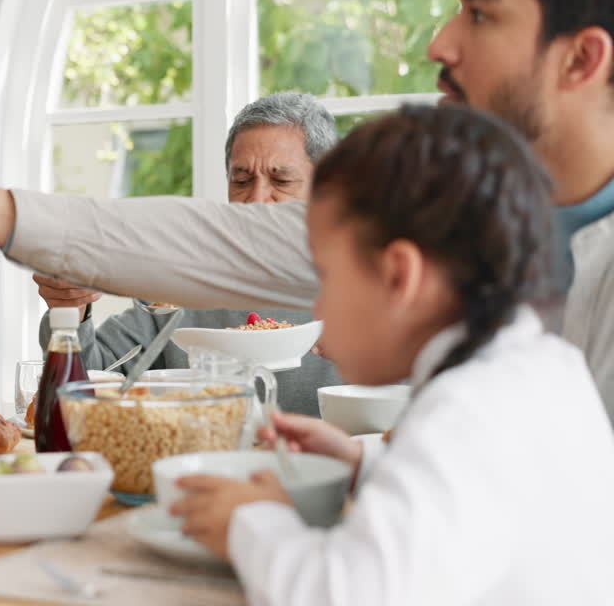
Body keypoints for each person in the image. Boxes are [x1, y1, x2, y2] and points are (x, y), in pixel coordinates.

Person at [0, 0, 614, 422]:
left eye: (480, 15)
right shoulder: (446, 221)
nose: (438, 43)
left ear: (580, 60)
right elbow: (209, 237)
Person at [171, 105, 614, 604]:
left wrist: (245, 520)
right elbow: (463, 504)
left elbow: (343, 594)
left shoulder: (466, 410)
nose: (317, 305)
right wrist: (363, 461)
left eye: (328, 277)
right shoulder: (540, 366)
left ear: (399, 276)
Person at [35, 93, 341, 415]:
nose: (257, 200)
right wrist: (71, 311)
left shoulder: (370, 287)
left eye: (281, 180)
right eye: (241, 180)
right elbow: (86, 383)